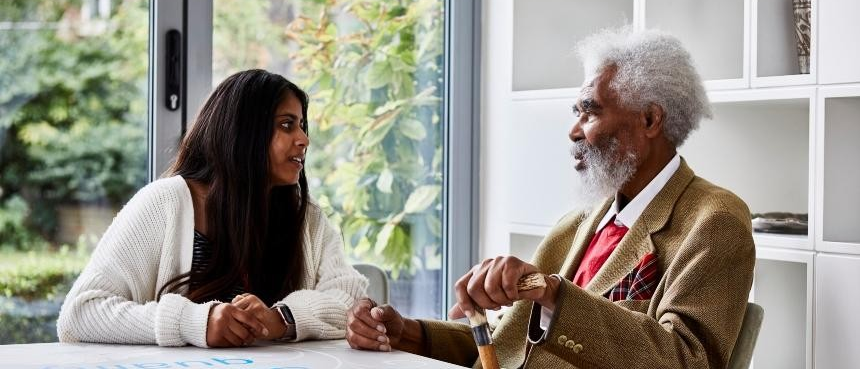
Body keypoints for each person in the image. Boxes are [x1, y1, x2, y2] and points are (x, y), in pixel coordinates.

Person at [346, 27, 755, 369]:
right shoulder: (577, 224)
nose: (574, 131)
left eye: (589, 112)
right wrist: (409, 334)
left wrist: (553, 294)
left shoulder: (715, 220)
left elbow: (687, 360)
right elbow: (509, 344)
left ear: (649, 119)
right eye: (575, 112)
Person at [57, 69, 367, 348]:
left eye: (301, 125)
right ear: (243, 132)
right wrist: (196, 323)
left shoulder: (305, 216)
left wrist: (281, 319)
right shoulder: (163, 203)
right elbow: (81, 312)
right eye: (287, 125)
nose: (304, 139)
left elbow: (350, 299)